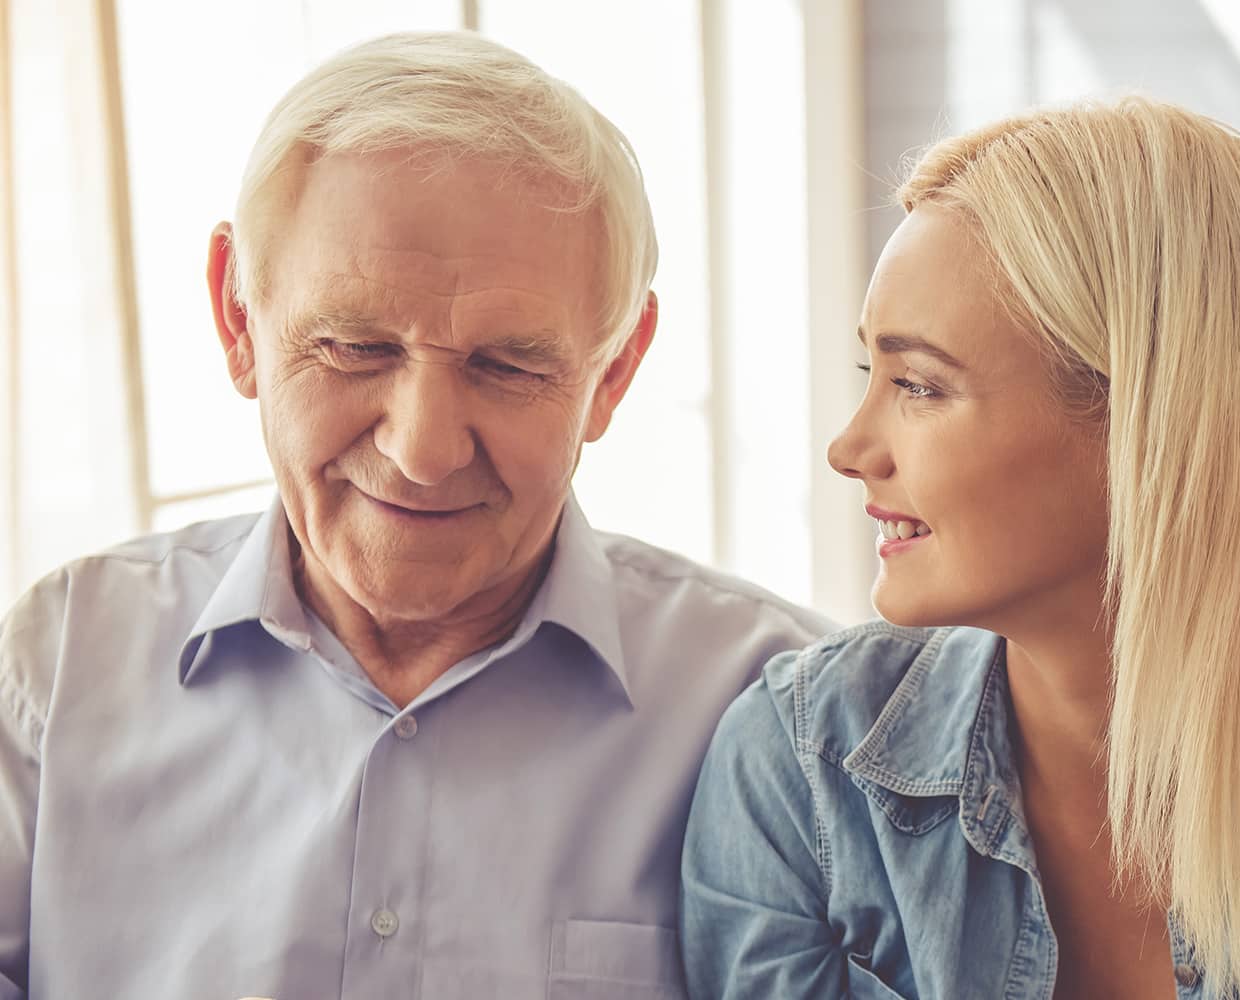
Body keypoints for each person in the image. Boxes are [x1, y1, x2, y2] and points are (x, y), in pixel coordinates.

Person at [0, 31, 829, 999]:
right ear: (238, 322)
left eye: (509, 365)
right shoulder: (57, 675)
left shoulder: (783, 720)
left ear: (615, 370)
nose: (423, 450)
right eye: (354, 346)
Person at [680, 97, 1240, 1000]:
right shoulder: (802, 767)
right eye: (870, 376)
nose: (850, 449)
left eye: (920, 386)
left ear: (1148, 427)